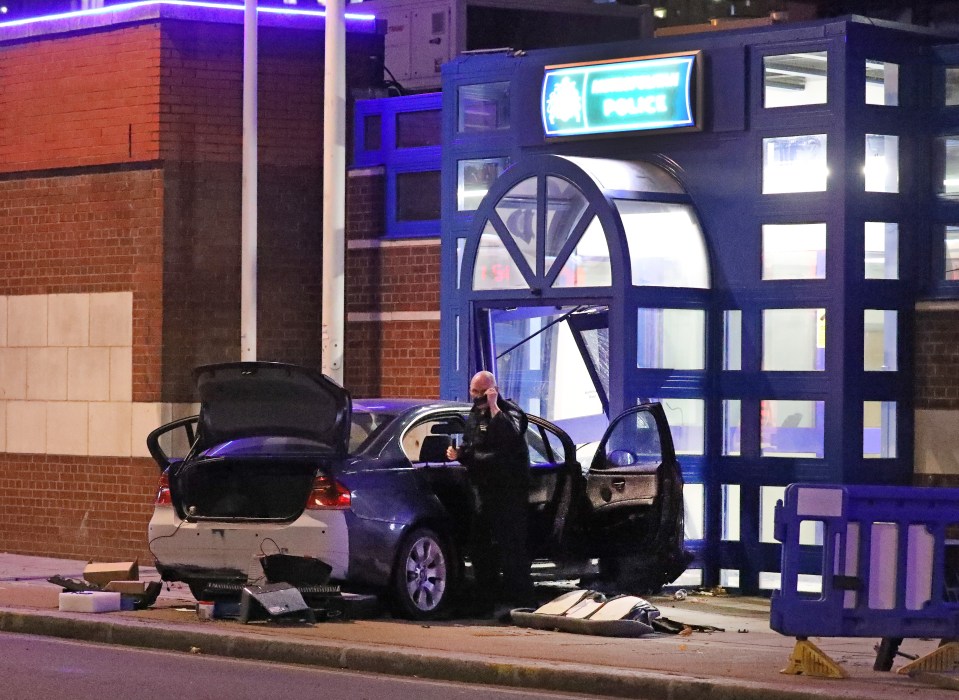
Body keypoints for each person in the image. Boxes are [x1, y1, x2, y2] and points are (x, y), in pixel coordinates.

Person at [447, 370, 534, 617]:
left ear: (491, 389)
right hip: (483, 492)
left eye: (479, 392)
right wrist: (459, 453)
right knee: (481, 550)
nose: (474, 396)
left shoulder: (510, 411)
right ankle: (485, 601)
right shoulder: (475, 414)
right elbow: (475, 445)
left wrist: (495, 405)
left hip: (508, 493)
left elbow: (509, 435)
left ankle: (522, 602)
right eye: (472, 391)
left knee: (512, 549)